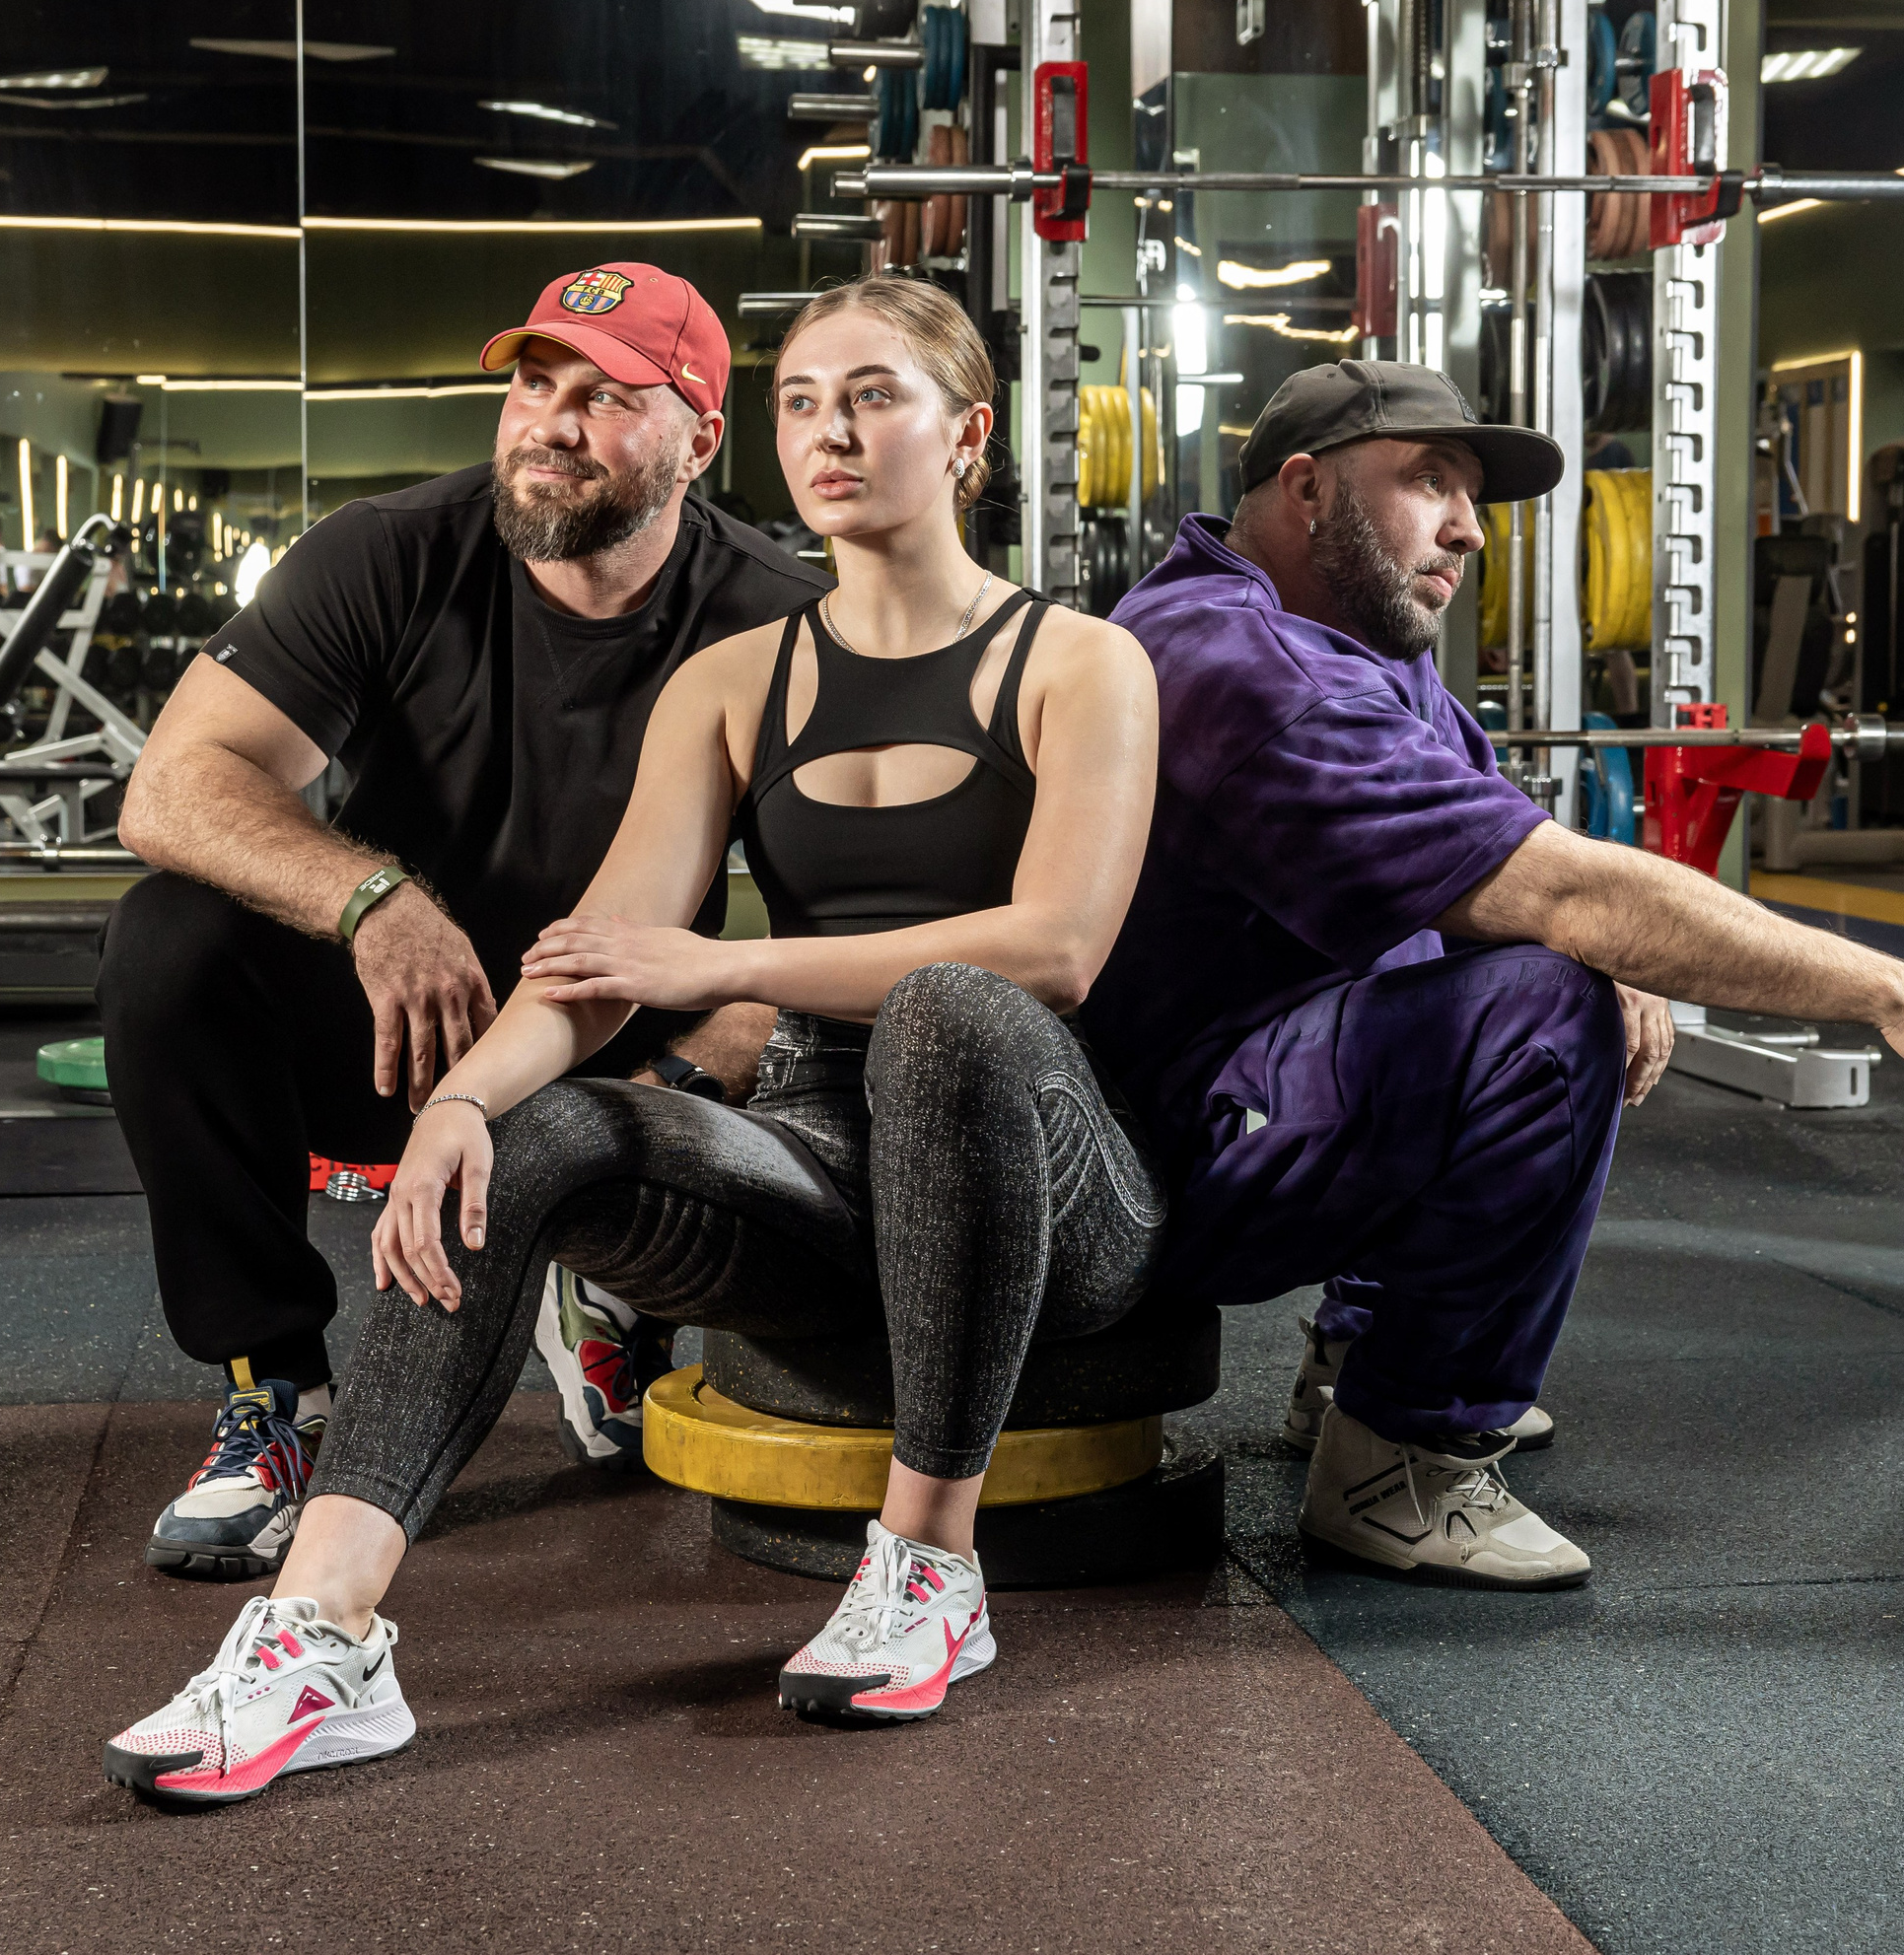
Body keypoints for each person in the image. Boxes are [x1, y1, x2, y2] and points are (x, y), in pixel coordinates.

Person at [104, 275, 1165, 1806]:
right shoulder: (737, 680)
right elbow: (604, 959)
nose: (833, 433)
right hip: (820, 1158)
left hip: (1054, 1180)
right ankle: (317, 1629)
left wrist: (728, 961)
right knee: (533, 1132)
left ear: (970, 434)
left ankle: (930, 1567)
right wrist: (463, 1104)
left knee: (951, 1012)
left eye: (873, 396)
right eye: (806, 403)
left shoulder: (1080, 661)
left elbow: (1057, 950)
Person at [1084, 360, 1904, 1592]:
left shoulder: (1362, 637)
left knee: (1540, 965)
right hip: (1159, 1167)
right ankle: (1400, 1462)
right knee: (1544, 1020)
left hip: (1248, 1086)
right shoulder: (1241, 665)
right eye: (1428, 481)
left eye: (1470, 493)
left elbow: (1503, 849)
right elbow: (1568, 896)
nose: (1469, 527)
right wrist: (1893, 990)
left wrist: (1581, 929)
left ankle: (1360, 1355)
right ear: (1308, 490)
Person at [101, 264, 829, 1582]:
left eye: (606, 397)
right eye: (534, 385)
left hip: (626, 1068)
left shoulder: (780, 617)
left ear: (699, 439)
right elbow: (169, 789)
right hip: (402, 1031)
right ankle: (277, 1391)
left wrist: (717, 1032)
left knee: (799, 1009)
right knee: (168, 938)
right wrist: (366, 896)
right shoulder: (389, 553)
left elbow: (841, 918)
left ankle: (606, 1271)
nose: (550, 420)